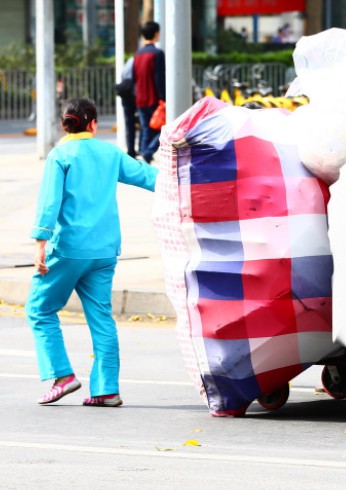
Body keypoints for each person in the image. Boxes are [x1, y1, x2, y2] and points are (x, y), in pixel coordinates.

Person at [27, 97, 158, 407]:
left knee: (40, 309)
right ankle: (107, 390)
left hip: (70, 250)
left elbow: (49, 202)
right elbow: (150, 178)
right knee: (101, 317)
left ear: (64, 124)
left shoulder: (60, 155)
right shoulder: (110, 153)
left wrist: (40, 243)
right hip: (105, 251)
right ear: (94, 124)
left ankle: (62, 376)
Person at [133, 21, 165, 163]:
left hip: (140, 98)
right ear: (156, 34)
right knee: (164, 128)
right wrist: (163, 98)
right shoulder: (157, 54)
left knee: (146, 129)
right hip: (154, 98)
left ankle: (145, 154)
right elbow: (159, 78)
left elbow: (134, 77)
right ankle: (148, 152)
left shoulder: (137, 54)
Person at [114, 57, 138, 158]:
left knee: (129, 124)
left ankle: (131, 150)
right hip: (135, 94)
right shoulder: (138, 60)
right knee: (144, 123)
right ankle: (142, 148)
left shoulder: (130, 61)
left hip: (126, 94)